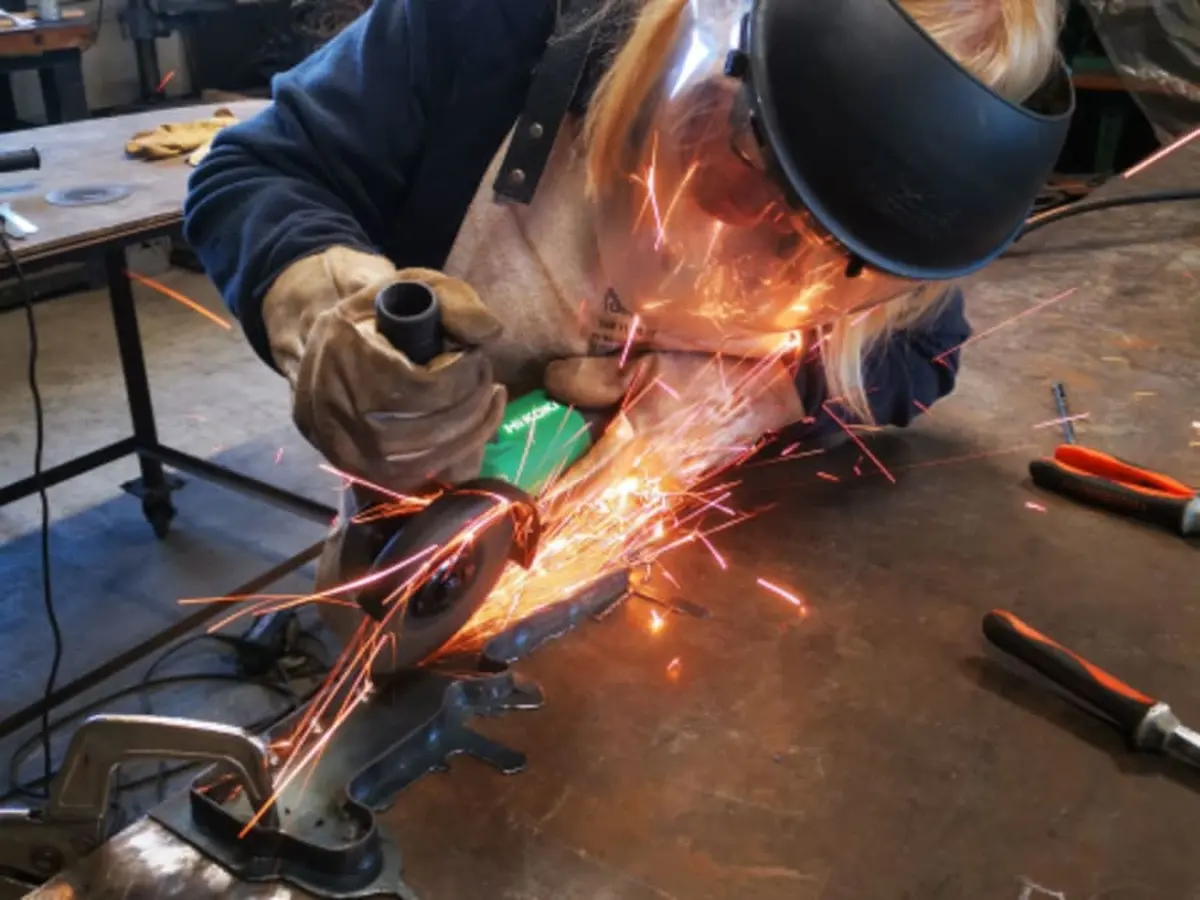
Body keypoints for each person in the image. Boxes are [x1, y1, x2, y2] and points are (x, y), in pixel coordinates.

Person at [184, 0, 1070, 635]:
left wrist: (743, 395)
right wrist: (333, 307)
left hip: (669, 601)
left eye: (812, 240)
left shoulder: (898, 201)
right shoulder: (494, 23)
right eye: (758, 155)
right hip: (415, 555)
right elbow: (255, 173)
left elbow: (924, 351)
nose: (754, 229)